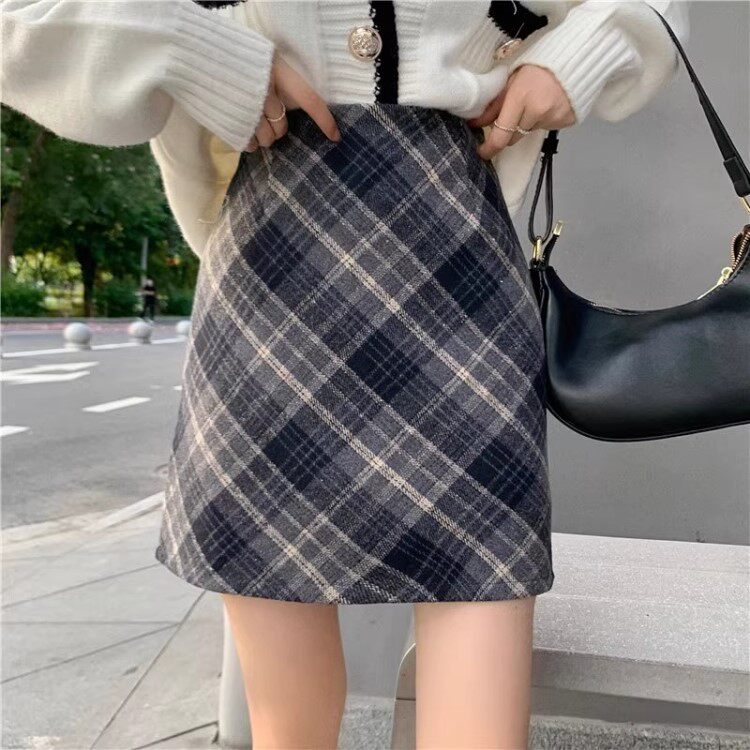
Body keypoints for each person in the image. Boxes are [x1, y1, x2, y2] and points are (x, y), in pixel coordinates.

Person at [2, 1, 688, 747]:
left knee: (483, 585)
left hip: (455, 252)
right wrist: (193, 49)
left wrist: (580, 55)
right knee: (283, 707)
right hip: (271, 262)